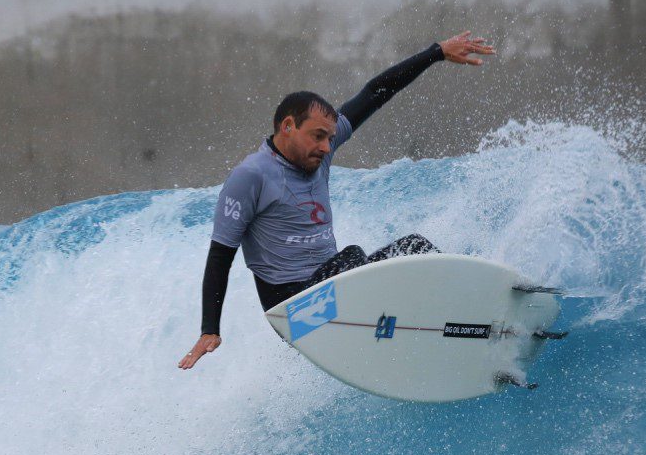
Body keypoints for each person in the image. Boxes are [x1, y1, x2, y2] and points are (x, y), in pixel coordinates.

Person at [178, 31, 495, 370]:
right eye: (318, 137)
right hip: (296, 315)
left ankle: (475, 321)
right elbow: (220, 254)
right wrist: (209, 328)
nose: (328, 147)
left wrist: (436, 53)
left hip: (338, 290)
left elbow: (374, 92)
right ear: (288, 127)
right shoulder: (251, 176)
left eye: (330, 138)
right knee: (352, 260)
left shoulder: (318, 154)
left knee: (414, 249)